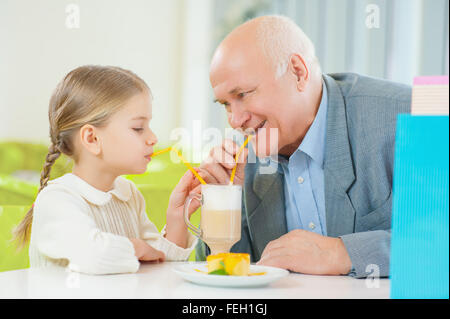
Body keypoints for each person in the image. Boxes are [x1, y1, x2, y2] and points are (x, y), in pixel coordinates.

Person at [195, 15, 411, 278]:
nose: (235, 120)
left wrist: (341, 253)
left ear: (298, 72)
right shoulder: (244, 162)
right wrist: (223, 205)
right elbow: (222, 276)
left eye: (242, 95)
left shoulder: (407, 115)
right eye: (226, 104)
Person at [12, 65, 202, 275]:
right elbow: (93, 255)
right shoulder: (57, 199)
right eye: (138, 128)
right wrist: (137, 247)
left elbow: (159, 264)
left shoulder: (128, 195)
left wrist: (176, 217)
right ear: (92, 139)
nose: (153, 138)